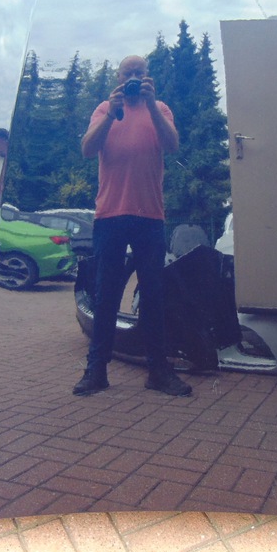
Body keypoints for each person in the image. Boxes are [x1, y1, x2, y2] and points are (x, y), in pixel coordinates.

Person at [73, 55, 193, 398]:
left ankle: (158, 372)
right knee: (106, 294)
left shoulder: (161, 109)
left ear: (148, 77)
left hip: (150, 216)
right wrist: (111, 113)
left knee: (153, 295)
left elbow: (172, 145)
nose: (135, 78)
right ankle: (96, 371)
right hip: (110, 214)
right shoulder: (104, 109)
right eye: (129, 73)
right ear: (119, 77)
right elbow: (87, 149)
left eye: (140, 72)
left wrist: (152, 105)